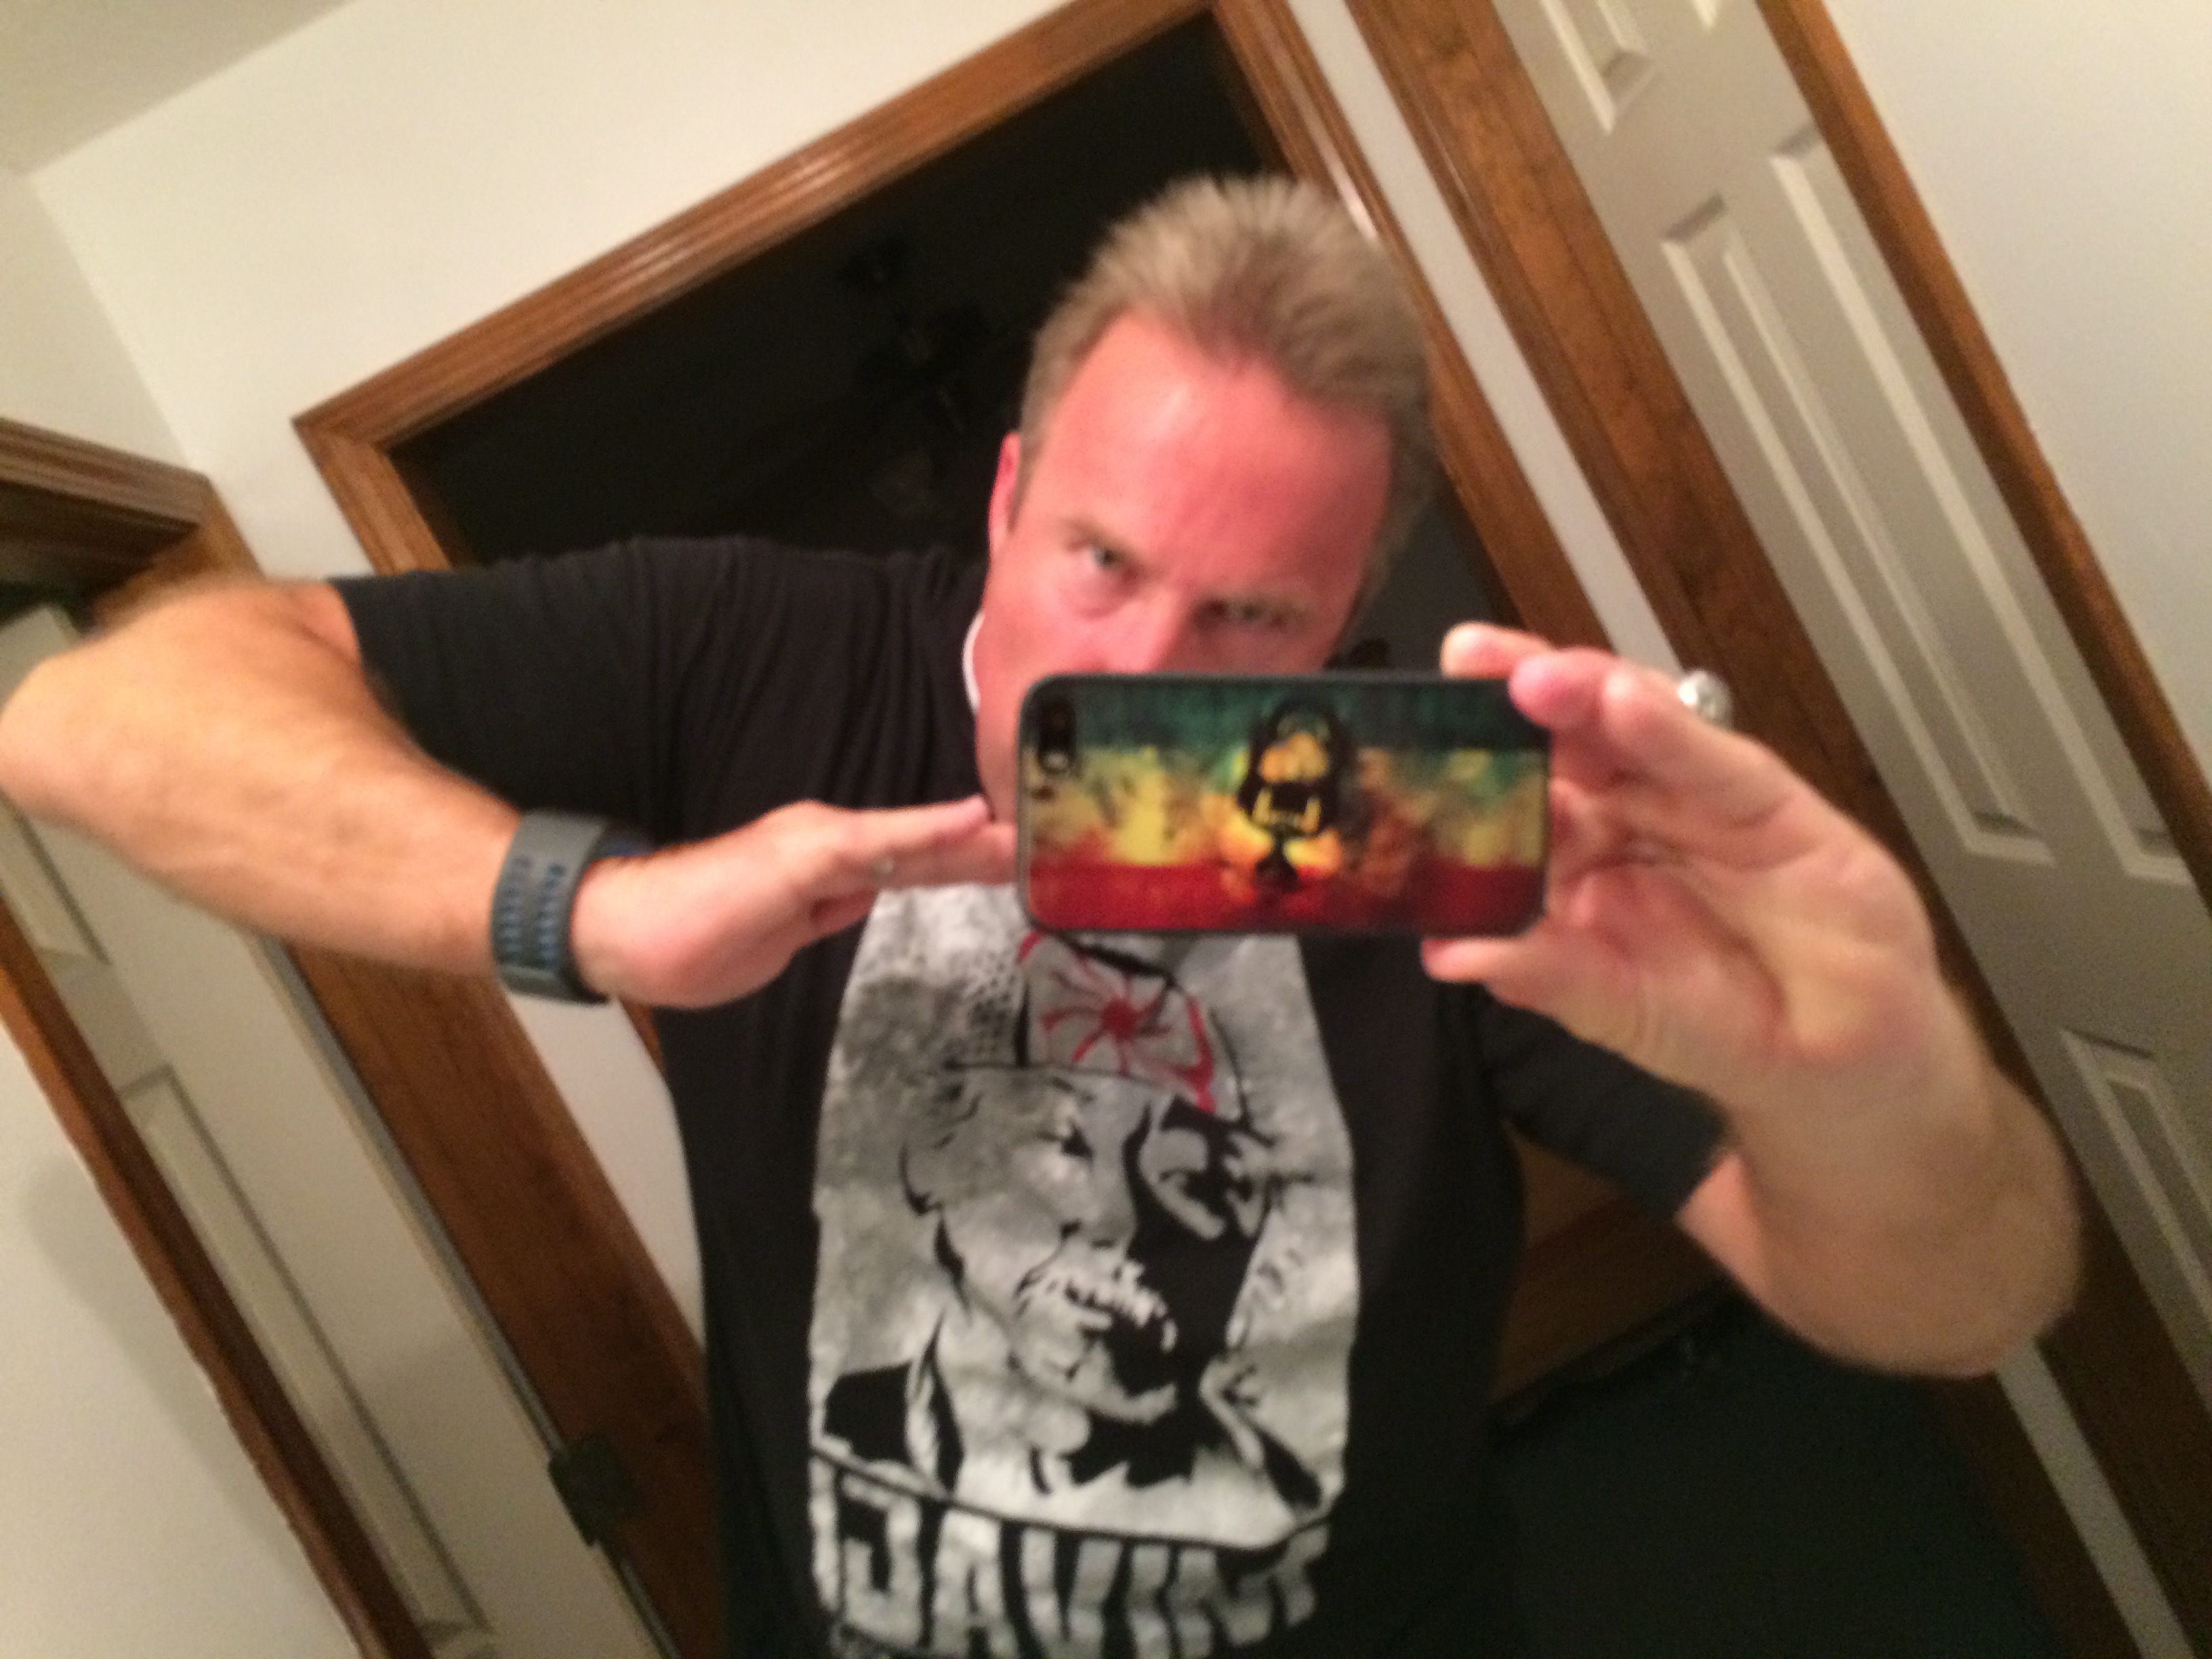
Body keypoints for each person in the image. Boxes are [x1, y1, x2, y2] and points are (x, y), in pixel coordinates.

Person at [0, 176, 2076, 1656]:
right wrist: (592, 913)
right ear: (1001, 500)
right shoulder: (748, 655)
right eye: (1097, 559)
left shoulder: (1400, 824)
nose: (1136, 667)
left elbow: (1964, 1303)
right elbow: (89, 718)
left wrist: (1868, 1082)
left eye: (1248, 615)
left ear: (1339, 632)